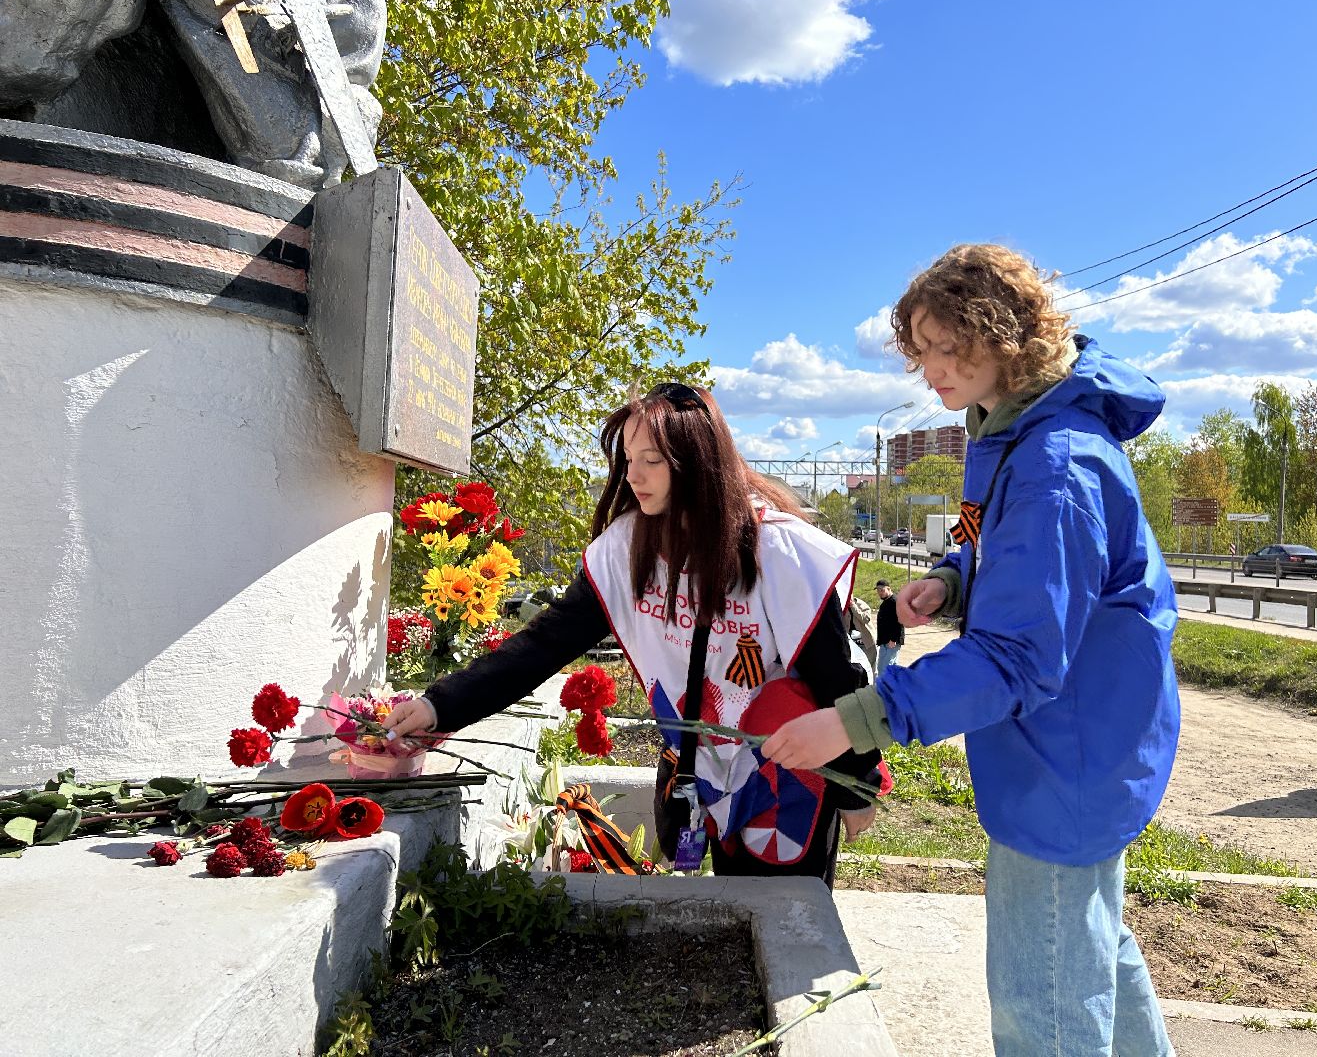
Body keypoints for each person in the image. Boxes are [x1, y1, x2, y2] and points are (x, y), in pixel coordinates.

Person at [761, 244, 1180, 1056]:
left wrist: (858, 721)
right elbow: (1010, 554)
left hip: (1066, 760)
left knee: (1044, 1006)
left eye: (950, 346)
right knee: (1090, 955)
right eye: (922, 353)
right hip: (1081, 748)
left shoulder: (1056, 464)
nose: (933, 371)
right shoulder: (1012, 426)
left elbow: (1018, 658)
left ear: (1008, 334)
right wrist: (952, 581)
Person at [385, 382, 881, 884]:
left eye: (653, 461)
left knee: (788, 920)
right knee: (739, 907)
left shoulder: (775, 548)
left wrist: (855, 784)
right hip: (711, 770)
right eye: (627, 459)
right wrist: (438, 707)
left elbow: (833, 672)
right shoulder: (626, 550)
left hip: (794, 767)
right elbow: (542, 645)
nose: (634, 476)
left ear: (696, 463)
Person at [873, 579, 904, 675]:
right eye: (878, 590)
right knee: (887, 668)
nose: (880, 592)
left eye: (882, 590)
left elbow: (899, 622)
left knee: (885, 669)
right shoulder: (887, 602)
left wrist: (893, 639)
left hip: (891, 641)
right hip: (885, 641)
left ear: (889, 589)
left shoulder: (894, 602)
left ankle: (886, 689)